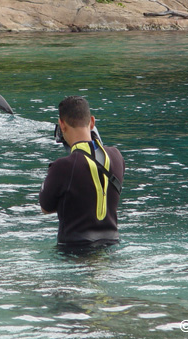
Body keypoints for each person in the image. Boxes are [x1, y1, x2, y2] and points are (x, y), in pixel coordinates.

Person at [39, 96, 125, 249]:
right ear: (92, 122)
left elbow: (46, 207)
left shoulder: (62, 166)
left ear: (62, 125)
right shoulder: (117, 156)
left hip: (74, 251)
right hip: (112, 246)